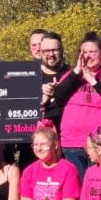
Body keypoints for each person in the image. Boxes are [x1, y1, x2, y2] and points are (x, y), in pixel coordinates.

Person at [53, 32, 101, 182]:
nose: (88, 56)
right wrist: (77, 72)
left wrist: (93, 81)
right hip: (73, 143)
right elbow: (59, 95)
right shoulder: (72, 76)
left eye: (93, 52)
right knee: (78, 189)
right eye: (85, 52)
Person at [30, 32, 70, 169]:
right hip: (36, 146)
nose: (51, 54)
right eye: (47, 51)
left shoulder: (72, 74)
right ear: (40, 52)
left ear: (62, 51)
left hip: (67, 143)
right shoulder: (28, 75)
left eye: (55, 50)